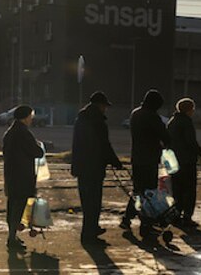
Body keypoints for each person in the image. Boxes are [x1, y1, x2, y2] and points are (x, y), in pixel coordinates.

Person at [72, 91, 123, 246]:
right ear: (100, 106)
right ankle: (89, 234)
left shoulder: (81, 119)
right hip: (94, 167)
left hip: (82, 166)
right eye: (104, 106)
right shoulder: (98, 122)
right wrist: (115, 162)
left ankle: (91, 230)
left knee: (87, 201)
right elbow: (103, 145)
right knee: (94, 202)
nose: (105, 109)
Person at [123, 89, 172, 234]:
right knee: (149, 192)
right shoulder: (153, 117)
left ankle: (127, 218)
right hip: (149, 159)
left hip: (137, 158)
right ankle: (146, 223)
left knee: (138, 191)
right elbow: (165, 136)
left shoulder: (135, 114)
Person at [1, 105, 45, 251]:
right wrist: (40, 146)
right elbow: (37, 152)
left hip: (11, 176)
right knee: (18, 208)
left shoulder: (9, 132)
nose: (31, 119)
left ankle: (11, 236)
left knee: (12, 207)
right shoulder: (24, 133)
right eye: (30, 116)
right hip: (23, 176)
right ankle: (12, 239)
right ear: (26, 117)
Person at [167, 98, 201, 227]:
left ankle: (176, 213)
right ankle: (187, 216)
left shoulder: (172, 122)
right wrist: (199, 152)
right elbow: (190, 141)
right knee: (189, 189)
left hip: (174, 161)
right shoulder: (186, 122)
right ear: (189, 109)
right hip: (187, 161)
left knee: (177, 189)